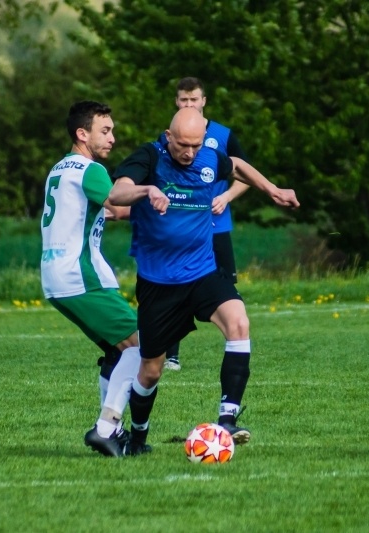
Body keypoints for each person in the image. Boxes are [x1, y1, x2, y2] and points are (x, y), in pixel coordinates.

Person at [107, 107, 299, 449]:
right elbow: (117, 193)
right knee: (151, 370)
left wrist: (272, 189)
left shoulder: (208, 158)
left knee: (238, 322)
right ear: (168, 137)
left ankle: (227, 420)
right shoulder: (148, 157)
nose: (190, 153)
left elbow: (236, 166)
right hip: (159, 284)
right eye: (183, 145)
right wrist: (146, 191)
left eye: (196, 146)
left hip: (202, 272)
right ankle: (137, 435)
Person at [40, 101, 147, 457]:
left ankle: (112, 432)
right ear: (82, 134)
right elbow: (116, 197)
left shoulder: (60, 169)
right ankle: (106, 427)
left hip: (57, 277)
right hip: (79, 276)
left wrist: (168, 208)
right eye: (106, 130)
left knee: (117, 353)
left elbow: (113, 210)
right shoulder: (90, 169)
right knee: (141, 344)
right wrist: (152, 191)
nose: (113, 138)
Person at [163, 76, 251, 371]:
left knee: (225, 287)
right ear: (177, 102)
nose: (189, 104)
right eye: (183, 100)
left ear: (204, 101)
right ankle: (171, 354)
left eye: (194, 99)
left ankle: (236, 340)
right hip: (183, 228)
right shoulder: (171, 138)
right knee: (174, 284)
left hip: (217, 227)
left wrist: (226, 196)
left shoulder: (223, 136)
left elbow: (246, 176)